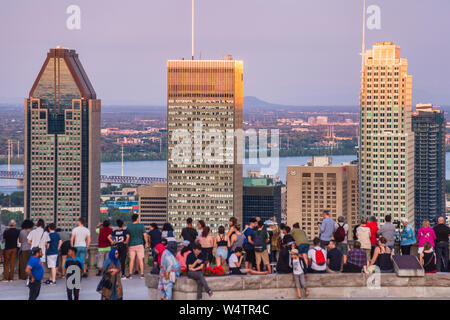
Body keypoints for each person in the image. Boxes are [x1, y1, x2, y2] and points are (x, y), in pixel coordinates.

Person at [127, 214, 148, 279]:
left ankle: (130, 274)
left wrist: (127, 243)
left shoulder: (129, 226)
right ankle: (142, 274)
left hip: (131, 244)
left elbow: (128, 236)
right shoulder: (141, 226)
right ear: (137, 218)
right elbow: (145, 235)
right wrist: (146, 243)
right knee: (140, 259)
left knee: (131, 260)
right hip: (140, 244)